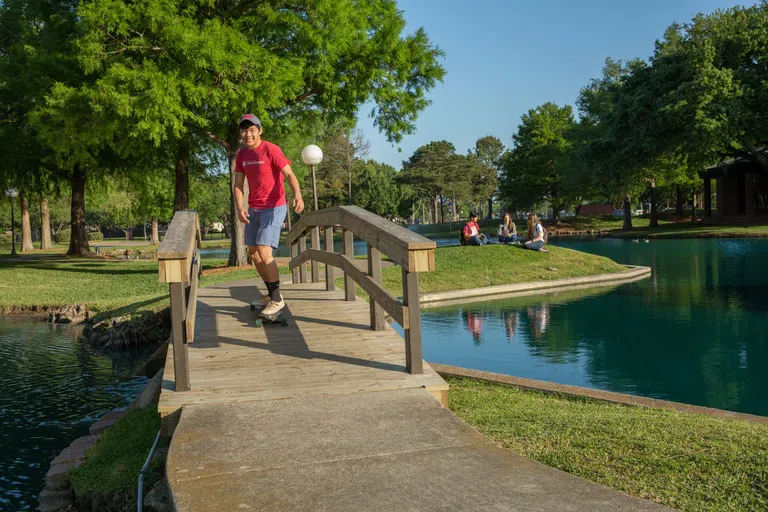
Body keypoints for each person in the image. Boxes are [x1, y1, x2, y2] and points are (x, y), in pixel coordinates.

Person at [234, 113, 305, 317]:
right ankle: (270, 294)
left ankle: (277, 300)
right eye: (244, 131)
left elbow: (289, 174)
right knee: (254, 254)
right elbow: (238, 185)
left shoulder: (270, 149)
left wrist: (297, 195)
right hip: (254, 209)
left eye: (252, 130)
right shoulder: (242, 156)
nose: (248, 134)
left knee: (265, 252)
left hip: (274, 207)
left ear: (260, 130)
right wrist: (240, 207)